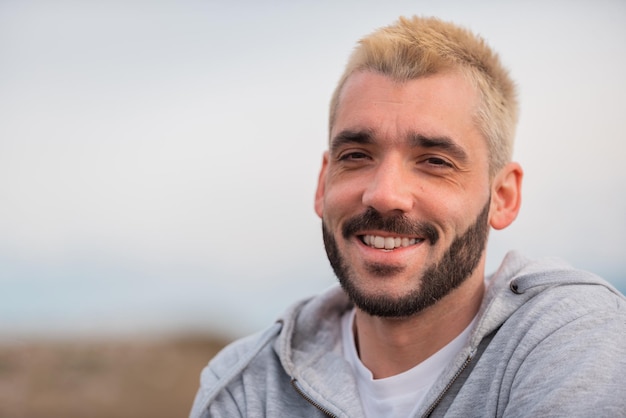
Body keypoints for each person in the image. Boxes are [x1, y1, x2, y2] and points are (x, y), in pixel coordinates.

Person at [189, 16, 626, 417]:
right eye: (357, 155)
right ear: (323, 184)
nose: (384, 195)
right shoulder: (246, 388)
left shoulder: (572, 341)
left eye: (434, 161)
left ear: (502, 196)